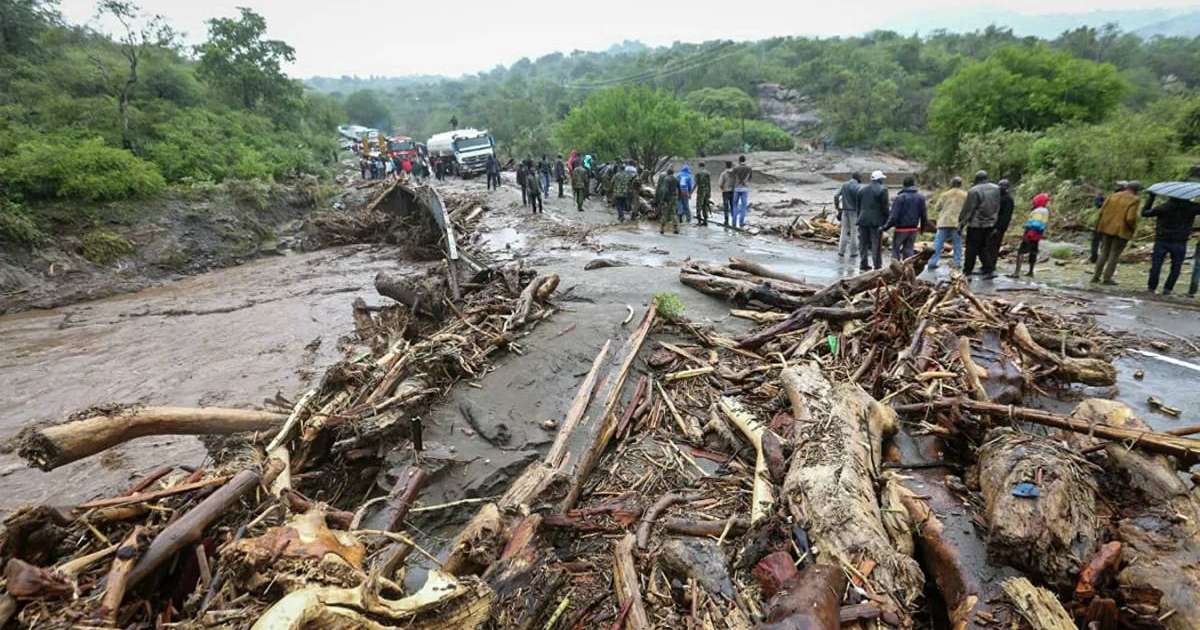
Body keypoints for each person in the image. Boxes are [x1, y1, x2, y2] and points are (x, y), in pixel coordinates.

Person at [1141, 191, 1200, 295]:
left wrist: (1151, 197)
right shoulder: (1192, 208)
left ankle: (1151, 287)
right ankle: (1168, 288)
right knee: (1176, 266)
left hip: (1162, 239)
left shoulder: (1164, 207)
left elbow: (1144, 213)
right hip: (1180, 241)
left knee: (1156, 265)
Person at [1092, 181, 1143, 285]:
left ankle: (1096, 276)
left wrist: (1099, 226)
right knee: (1114, 254)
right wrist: (1132, 229)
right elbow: (1130, 218)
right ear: (1136, 190)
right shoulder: (1134, 199)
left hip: (1106, 228)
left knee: (1104, 252)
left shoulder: (1113, 195)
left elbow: (1101, 212)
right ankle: (1107, 278)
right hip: (1121, 231)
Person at [959, 170, 1001, 277]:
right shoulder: (996, 189)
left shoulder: (974, 190)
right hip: (990, 223)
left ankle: (967, 271)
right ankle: (988, 268)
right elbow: (997, 206)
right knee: (982, 246)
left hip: (976, 224)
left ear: (977, 179)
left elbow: (969, 209)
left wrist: (961, 224)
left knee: (971, 248)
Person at [883, 176, 927, 261]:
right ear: (914, 185)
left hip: (901, 230)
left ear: (903, 185)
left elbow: (894, 216)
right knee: (909, 250)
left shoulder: (900, 198)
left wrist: (885, 227)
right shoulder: (921, 197)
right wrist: (922, 228)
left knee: (895, 250)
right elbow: (924, 215)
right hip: (913, 229)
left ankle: (896, 270)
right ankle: (908, 269)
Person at [1010, 193, 1050, 277]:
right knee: (1033, 252)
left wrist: (1027, 225)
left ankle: (1016, 272)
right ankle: (1030, 271)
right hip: (1038, 234)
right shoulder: (1045, 211)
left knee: (1021, 252)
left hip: (1031, 233)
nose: (1033, 203)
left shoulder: (1038, 211)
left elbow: (1036, 223)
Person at [856, 171, 889, 271]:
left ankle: (863, 263)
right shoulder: (883, 190)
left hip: (862, 220)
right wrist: (886, 222)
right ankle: (877, 265)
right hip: (876, 222)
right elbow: (885, 208)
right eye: (882, 179)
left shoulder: (861, 189)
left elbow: (858, 207)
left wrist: (859, 217)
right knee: (876, 245)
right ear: (879, 179)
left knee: (863, 243)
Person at [985, 179, 1014, 275]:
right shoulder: (997, 197)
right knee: (987, 246)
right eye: (1000, 185)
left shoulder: (1008, 199)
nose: (1001, 187)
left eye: (1003, 186)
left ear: (1007, 188)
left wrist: (999, 228)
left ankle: (991, 266)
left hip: (999, 227)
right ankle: (987, 265)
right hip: (991, 225)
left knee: (994, 247)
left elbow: (1006, 216)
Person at [1090, 182, 1125, 263]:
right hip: (1114, 224)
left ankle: (1095, 258)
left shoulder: (1112, 198)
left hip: (1104, 222)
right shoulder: (1125, 199)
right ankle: (1102, 258)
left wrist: (1098, 197)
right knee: (1106, 242)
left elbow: (1099, 205)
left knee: (1097, 240)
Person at [834, 173, 862, 258]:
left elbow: (836, 196)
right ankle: (853, 252)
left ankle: (841, 251)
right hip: (854, 212)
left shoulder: (844, 185)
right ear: (858, 179)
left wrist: (837, 207)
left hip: (845, 210)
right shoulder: (859, 187)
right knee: (854, 232)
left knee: (844, 231)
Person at [656, 168, 681, 234]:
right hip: (674, 197)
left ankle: (662, 229)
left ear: (667, 173)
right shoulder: (676, 179)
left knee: (665, 213)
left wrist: (663, 199)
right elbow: (679, 188)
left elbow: (665, 190)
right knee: (673, 213)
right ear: (673, 173)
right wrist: (679, 197)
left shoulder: (666, 179)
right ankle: (676, 228)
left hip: (668, 198)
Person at [731, 155, 752, 228]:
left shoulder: (735, 168)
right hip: (745, 189)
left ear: (739, 160)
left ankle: (733, 222)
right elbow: (749, 178)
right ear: (745, 160)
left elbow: (733, 178)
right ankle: (741, 222)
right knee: (743, 206)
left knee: (735, 205)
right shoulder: (749, 168)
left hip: (736, 188)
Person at [694, 161, 712, 226]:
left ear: (699, 166)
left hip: (700, 191)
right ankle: (705, 221)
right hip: (707, 191)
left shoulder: (698, 173)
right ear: (704, 166)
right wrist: (710, 192)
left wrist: (691, 192)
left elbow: (695, 183)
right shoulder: (708, 173)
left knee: (699, 205)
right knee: (705, 205)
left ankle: (699, 221)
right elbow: (709, 183)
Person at [718, 161, 735, 227]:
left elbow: (720, 183)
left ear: (726, 165)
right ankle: (734, 219)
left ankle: (726, 220)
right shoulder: (734, 173)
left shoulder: (723, 173)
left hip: (725, 191)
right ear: (731, 165)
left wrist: (722, 188)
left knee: (726, 206)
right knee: (733, 205)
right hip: (733, 191)